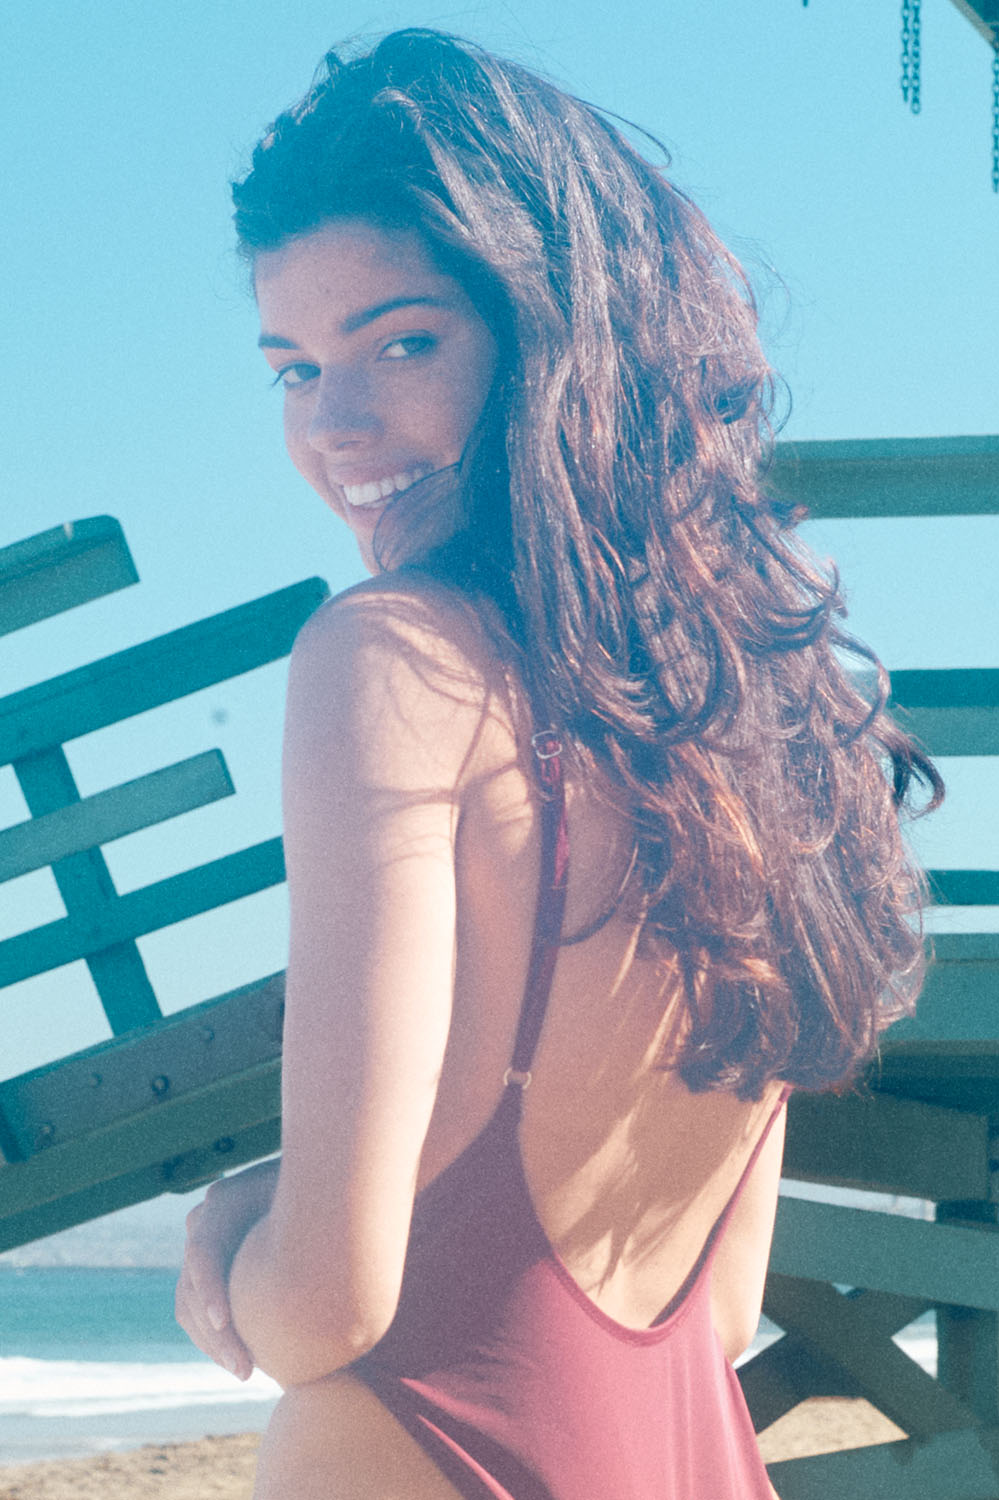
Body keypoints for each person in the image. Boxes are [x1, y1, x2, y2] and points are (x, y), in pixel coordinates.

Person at [174, 29, 941, 1499]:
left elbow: (331, 1303)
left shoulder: (390, 658)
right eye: (293, 368)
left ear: (552, 338)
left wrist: (227, 1241)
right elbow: (715, 1311)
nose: (336, 427)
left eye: (404, 342)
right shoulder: (760, 732)